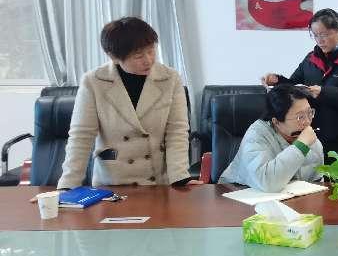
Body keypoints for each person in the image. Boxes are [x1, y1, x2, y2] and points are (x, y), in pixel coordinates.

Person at [58, 17, 197, 189]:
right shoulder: (94, 82)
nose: (148, 60)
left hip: (157, 182)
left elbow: (177, 131)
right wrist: (67, 186)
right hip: (112, 183)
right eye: (138, 56)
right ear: (113, 57)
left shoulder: (170, 78)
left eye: (151, 50)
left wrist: (180, 177)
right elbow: (81, 136)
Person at [262, 9, 338, 157]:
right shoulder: (311, 59)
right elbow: (293, 86)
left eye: (324, 34)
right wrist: (278, 80)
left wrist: (324, 92)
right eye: (315, 35)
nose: (320, 40)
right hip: (309, 135)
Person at [219, 85, 324, 190]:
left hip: (286, 195)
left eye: (310, 112)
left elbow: (317, 183)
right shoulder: (256, 135)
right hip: (237, 190)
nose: (307, 122)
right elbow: (267, 182)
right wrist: (300, 146)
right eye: (300, 117)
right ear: (276, 121)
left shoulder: (310, 139)